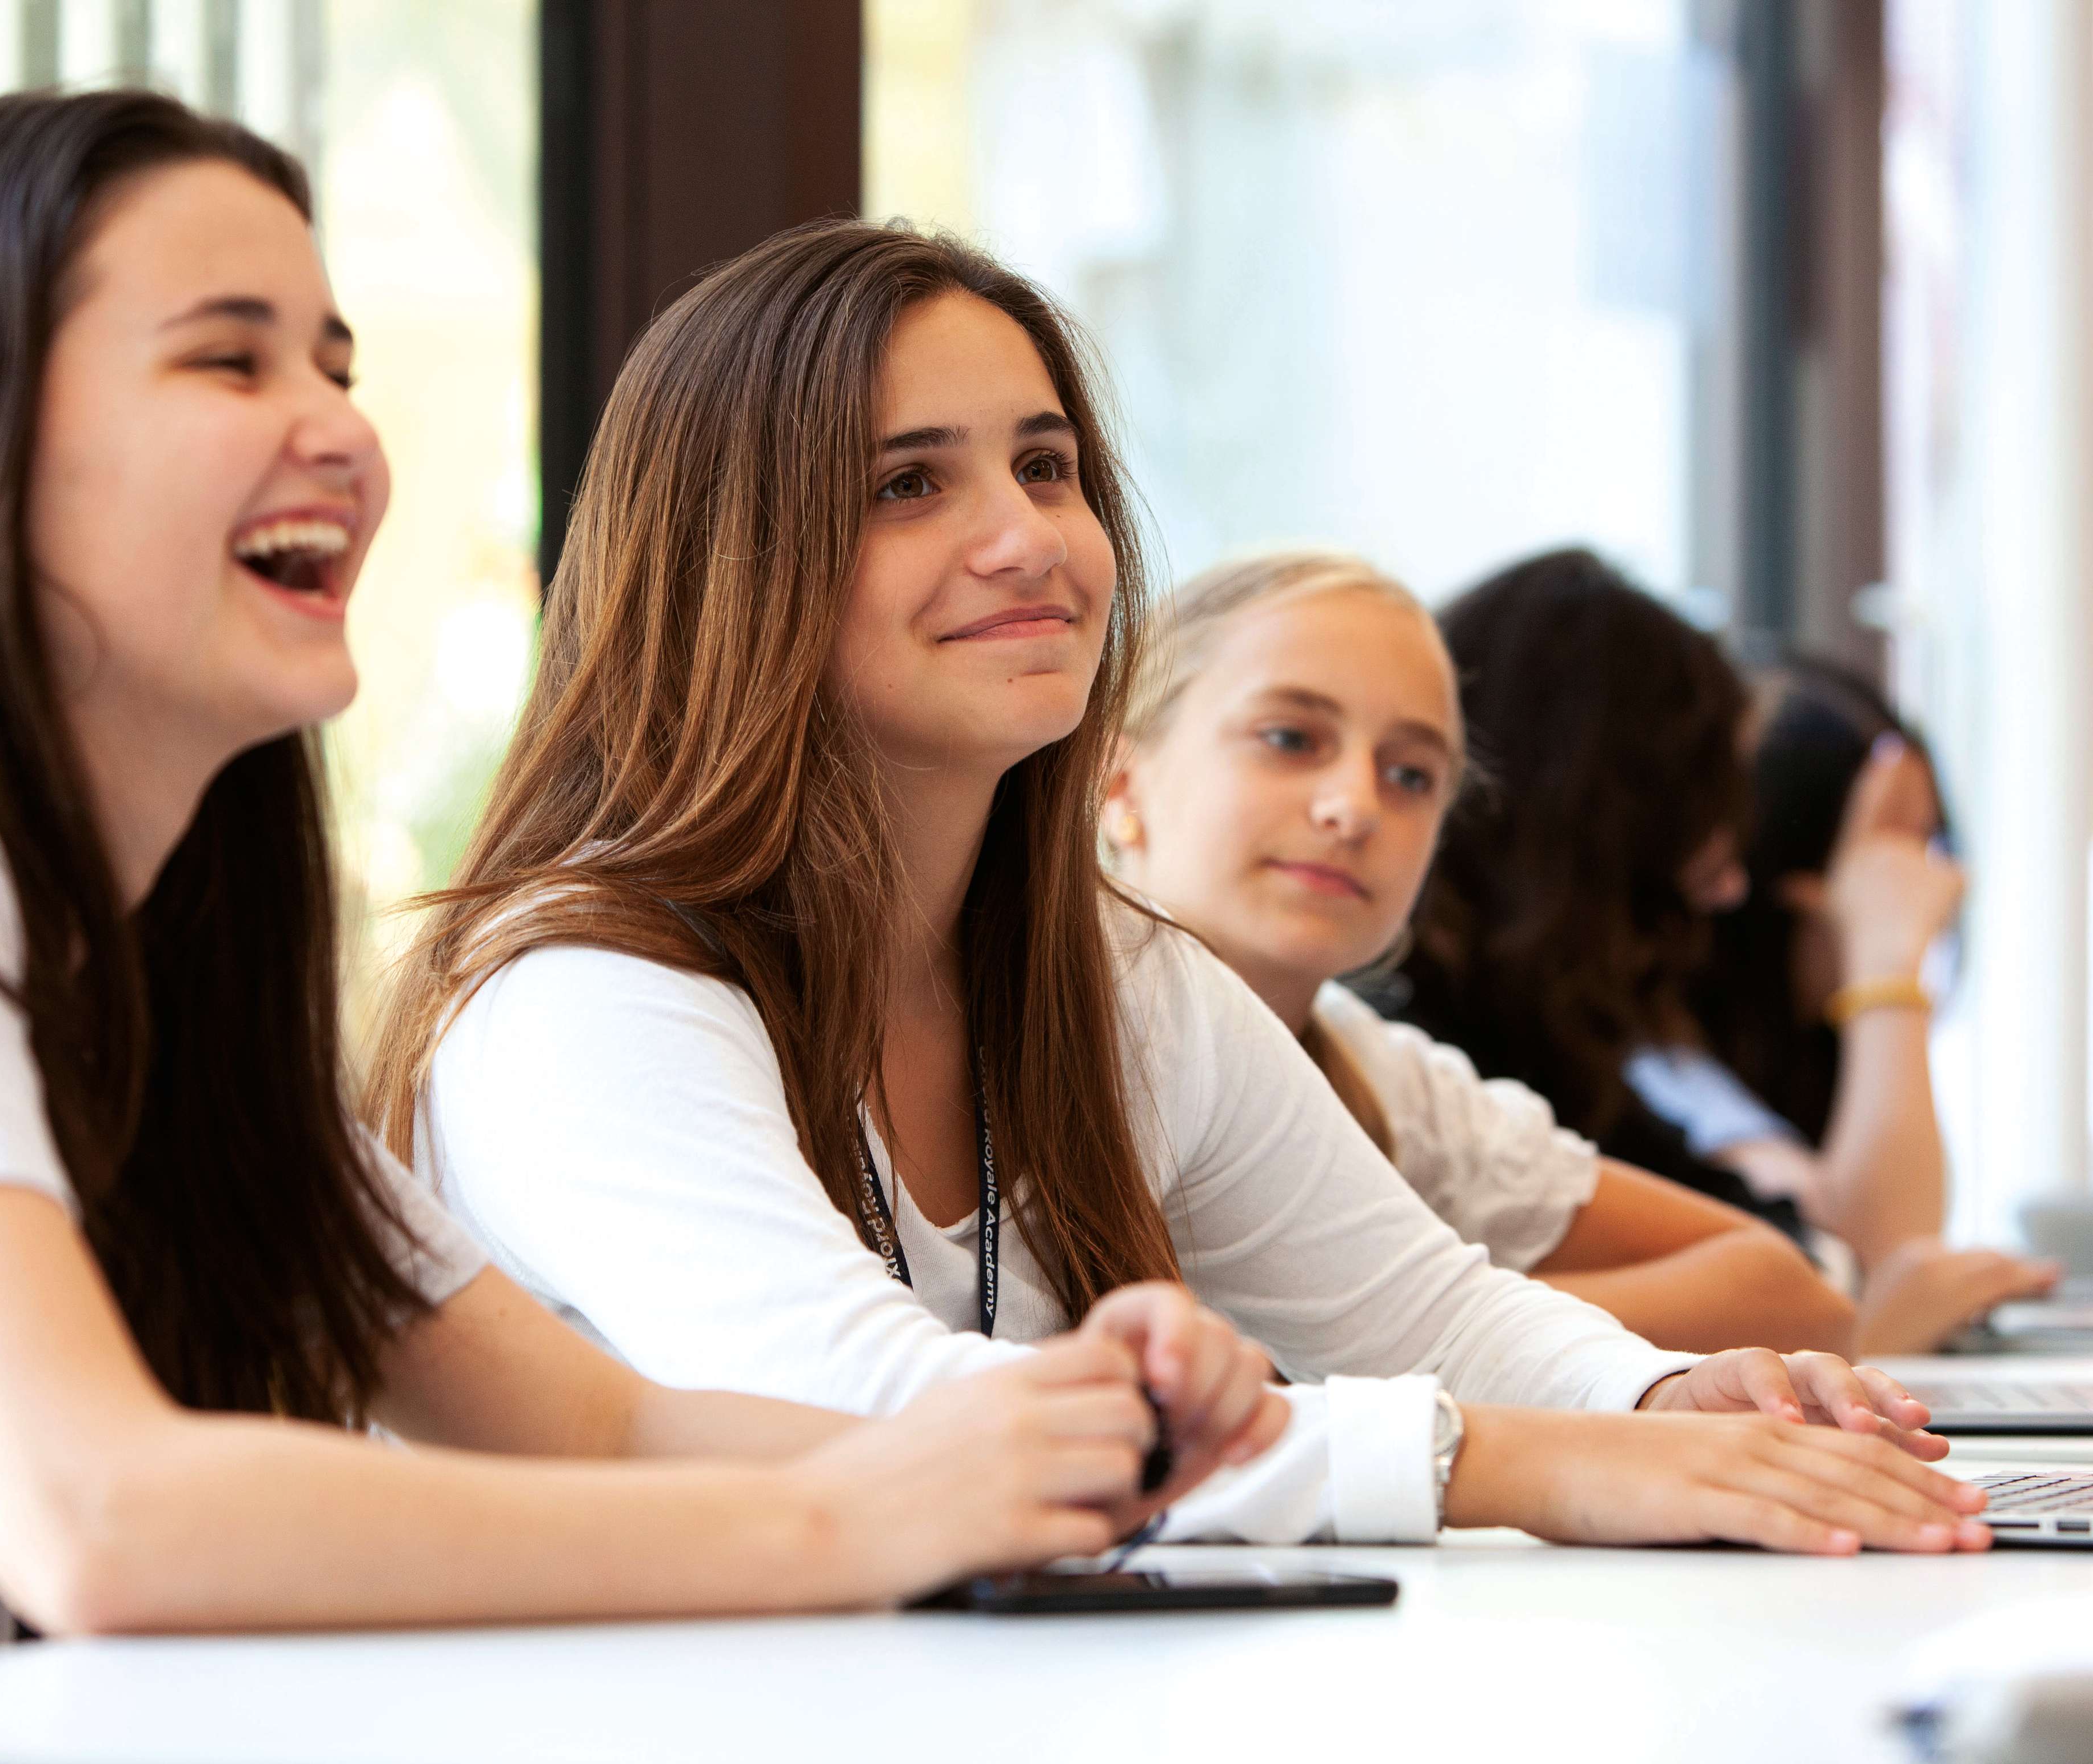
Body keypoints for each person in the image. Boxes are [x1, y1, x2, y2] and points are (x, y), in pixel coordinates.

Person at [376, 217, 1991, 1559]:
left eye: (1048, 464)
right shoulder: (581, 989)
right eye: (909, 484)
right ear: (735, 561)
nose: (1031, 539)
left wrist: (1655, 1402)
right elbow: (870, 1410)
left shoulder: (1114, 974)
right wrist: (1516, 1458)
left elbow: (1423, 1304)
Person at [0, 91, 1281, 1656]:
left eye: (336, 366)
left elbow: (602, 1427)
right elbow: (99, 1519)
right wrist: (858, 1514)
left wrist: (1071, 1434)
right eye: (231, 357)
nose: (345, 431)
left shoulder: (169, 960)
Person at [1100, 550, 1855, 1355]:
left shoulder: (1380, 1073)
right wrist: (1423, 1329)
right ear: (1119, 784)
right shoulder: (1045, 1024)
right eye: (1290, 737)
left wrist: (1433, 1314)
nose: (1355, 806)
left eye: (1411, 775)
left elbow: (1797, 1295)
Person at [1396, 548, 2050, 1354]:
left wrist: (1828, 1309)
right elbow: (1830, 1282)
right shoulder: (1412, 1025)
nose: (1721, 888)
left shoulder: (1543, 1042)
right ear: (1599, 829)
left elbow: (1805, 1268)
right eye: (1701, 828)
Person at [1647, 657, 2060, 1350]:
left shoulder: (1782, 1064)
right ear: (1787, 872)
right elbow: (1883, 1262)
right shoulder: (1656, 1062)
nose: (1936, 878)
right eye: (1900, 843)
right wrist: (1887, 960)